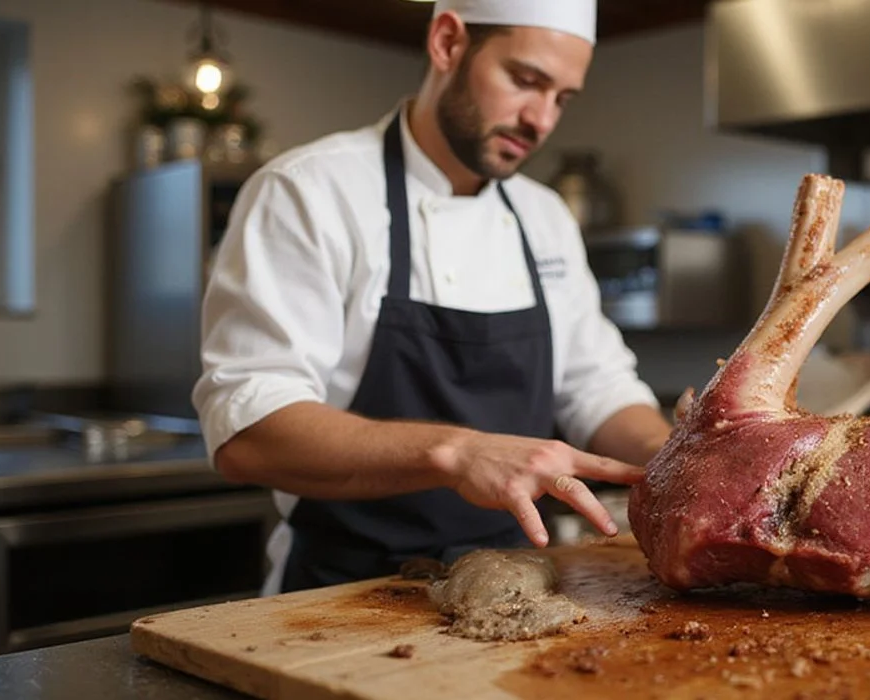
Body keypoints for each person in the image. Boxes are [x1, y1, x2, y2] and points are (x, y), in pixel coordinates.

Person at [191, 0, 671, 596]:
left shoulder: (543, 216)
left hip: (523, 591)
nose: (541, 120)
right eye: (525, 80)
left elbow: (595, 387)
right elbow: (249, 429)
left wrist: (670, 457)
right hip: (340, 596)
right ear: (447, 42)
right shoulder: (309, 192)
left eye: (562, 98)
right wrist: (458, 452)